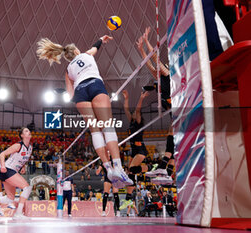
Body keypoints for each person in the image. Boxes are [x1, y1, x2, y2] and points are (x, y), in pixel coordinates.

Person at [37, 36, 133, 188]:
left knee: (95, 131)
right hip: (94, 84)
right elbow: (96, 47)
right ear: (76, 51)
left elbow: (70, 96)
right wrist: (102, 39)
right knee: (107, 126)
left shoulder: (68, 70)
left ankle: (108, 169)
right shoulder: (86, 54)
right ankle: (118, 168)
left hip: (80, 91)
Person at [136, 28, 174, 185]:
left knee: (172, 134)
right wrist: (141, 50)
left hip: (174, 106)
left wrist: (146, 42)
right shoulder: (160, 76)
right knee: (172, 136)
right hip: (171, 107)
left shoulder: (168, 74)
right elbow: (149, 64)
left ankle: (165, 168)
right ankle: (166, 171)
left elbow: (156, 59)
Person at [0, 127, 33, 219]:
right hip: (7, 169)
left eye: (29, 131)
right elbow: (2, 154)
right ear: (22, 135)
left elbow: (23, 159)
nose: (29, 132)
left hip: (12, 171)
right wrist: (3, 166)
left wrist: (23, 167)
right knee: (27, 187)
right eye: (26, 131)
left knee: (10, 198)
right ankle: (18, 214)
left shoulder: (30, 148)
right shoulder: (18, 145)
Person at [120, 90, 152, 210]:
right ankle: (128, 199)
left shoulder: (138, 123)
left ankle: (151, 167)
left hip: (140, 149)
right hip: (134, 150)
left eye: (135, 113)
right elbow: (126, 110)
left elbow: (137, 109)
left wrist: (141, 98)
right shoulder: (132, 122)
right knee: (131, 172)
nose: (133, 113)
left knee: (133, 169)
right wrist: (126, 98)